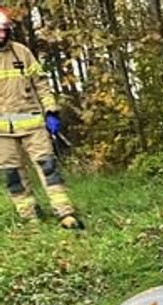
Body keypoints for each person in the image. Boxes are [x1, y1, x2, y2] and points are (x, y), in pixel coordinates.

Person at [0, 8, 80, 229]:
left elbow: (41, 84)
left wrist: (51, 111)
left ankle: (65, 213)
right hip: (2, 133)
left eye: (4, 29)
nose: (1, 34)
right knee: (14, 176)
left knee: (49, 169)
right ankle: (30, 217)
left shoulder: (22, 53)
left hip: (33, 126)